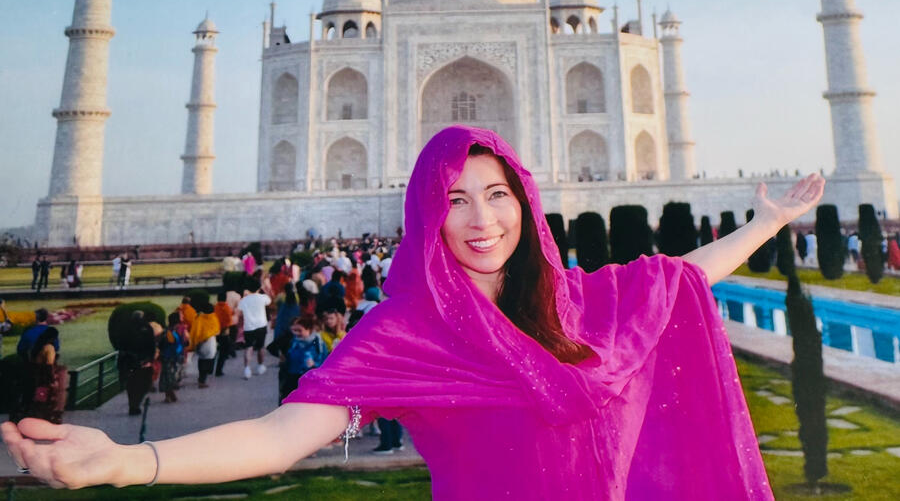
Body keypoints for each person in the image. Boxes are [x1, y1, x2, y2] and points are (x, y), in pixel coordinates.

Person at [2, 126, 825, 498]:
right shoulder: (408, 334)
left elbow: (678, 276)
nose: (482, 219)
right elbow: (280, 435)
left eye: (497, 194)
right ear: (428, 216)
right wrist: (125, 461)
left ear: (524, 202)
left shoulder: (578, 304)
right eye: (455, 200)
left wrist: (765, 222)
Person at [267, 314, 328, 405]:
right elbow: (272, 347)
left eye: (299, 330)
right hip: (292, 378)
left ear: (309, 330)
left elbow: (325, 361)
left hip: (310, 379)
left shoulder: (318, 343)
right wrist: (282, 357)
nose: (296, 333)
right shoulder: (292, 341)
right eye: (294, 330)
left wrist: (314, 364)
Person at [116, 311, 157, 416]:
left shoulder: (127, 328)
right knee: (141, 384)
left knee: (133, 385)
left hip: (132, 362)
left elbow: (121, 346)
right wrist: (150, 358)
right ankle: (135, 404)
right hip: (140, 362)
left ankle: (133, 405)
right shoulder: (146, 328)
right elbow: (152, 345)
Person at [237, 284, 271, 380]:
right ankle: (260, 366)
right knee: (261, 347)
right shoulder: (263, 298)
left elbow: (240, 314)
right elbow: (269, 301)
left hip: (248, 326)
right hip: (261, 325)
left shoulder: (243, 301)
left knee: (248, 347)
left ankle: (247, 369)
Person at [189, 303, 220, 388]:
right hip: (210, 342)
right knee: (208, 360)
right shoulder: (213, 318)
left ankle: (201, 378)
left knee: (202, 359)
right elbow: (217, 330)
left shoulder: (199, 318)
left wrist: (195, 342)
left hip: (200, 343)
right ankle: (202, 380)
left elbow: (195, 331)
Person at [158, 313, 186, 404]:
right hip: (170, 357)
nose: (182, 317)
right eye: (180, 316)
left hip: (172, 356)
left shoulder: (171, 330)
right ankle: (169, 395)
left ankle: (170, 394)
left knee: (169, 376)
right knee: (169, 376)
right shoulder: (169, 332)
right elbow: (171, 345)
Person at [213, 292, 234, 377]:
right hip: (224, 332)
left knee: (213, 352)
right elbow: (229, 320)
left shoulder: (215, 307)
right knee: (223, 352)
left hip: (215, 332)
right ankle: (218, 370)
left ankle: (209, 369)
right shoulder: (227, 308)